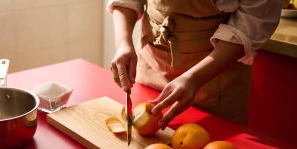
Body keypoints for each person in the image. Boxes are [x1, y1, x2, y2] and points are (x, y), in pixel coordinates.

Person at [108, 0, 283, 128]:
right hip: (151, 65)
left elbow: (252, 21)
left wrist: (193, 77)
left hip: (214, 79)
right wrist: (124, 44)